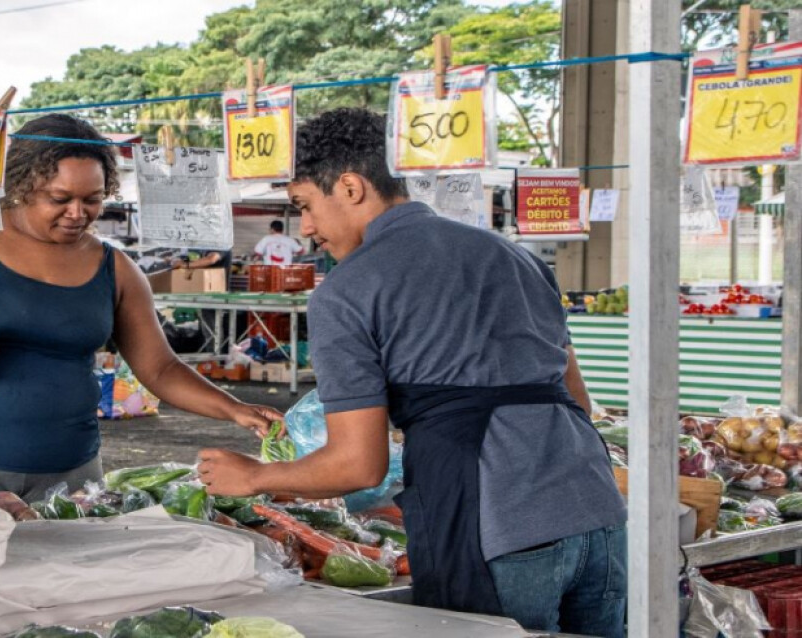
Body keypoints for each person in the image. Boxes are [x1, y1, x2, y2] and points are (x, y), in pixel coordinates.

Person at [197, 108, 627, 637]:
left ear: (351, 187)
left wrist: (255, 476)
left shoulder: (348, 291)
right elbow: (576, 401)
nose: (306, 229)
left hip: (496, 525)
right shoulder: (516, 258)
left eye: (305, 206)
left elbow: (357, 465)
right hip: (597, 512)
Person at [0, 114, 281, 502]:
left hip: (72, 475)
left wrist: (234, 409)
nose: (77, 213)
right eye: (59, 198)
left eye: (92, 200)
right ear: (22, 185)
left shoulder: (116, 268)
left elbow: (160, 368)